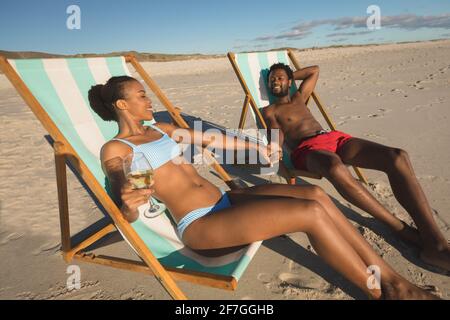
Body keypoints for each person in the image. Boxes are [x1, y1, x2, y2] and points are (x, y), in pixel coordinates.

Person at [87, 75, 438, 299]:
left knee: (315, 194)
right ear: (121, 104)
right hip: (200, 224)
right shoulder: (117, 148)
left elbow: (211, 138)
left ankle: (391, 278)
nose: (149, 101)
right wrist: (129, 203)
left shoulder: (161, 129)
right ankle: (382, 291)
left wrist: (255, 146)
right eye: (141, 96)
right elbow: (121, 181)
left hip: (226, 200)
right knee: (311, 213)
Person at [261, 62, 450, 271]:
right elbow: (275, 131)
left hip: (333, 138)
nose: (274, 81)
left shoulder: (299, 97)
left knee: (397, 157)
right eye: (271, 79)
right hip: (308, 150)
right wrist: (275, 145)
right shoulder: (270, 110)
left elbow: (314, 70)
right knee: (335, 167)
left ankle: (435, 241)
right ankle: (400, 229)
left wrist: (288, 73)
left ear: (289, 81)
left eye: (279, 78)